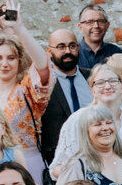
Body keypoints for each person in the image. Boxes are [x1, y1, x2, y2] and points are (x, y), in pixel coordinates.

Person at [0, 20, 54, 182]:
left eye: (11, 58)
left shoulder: (27, 90)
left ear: (19, 61)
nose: (4, 64)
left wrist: (20, 29)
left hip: (27, 163)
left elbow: (43, 66)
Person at [35, 24, 91, 170]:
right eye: (60, 47)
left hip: (94, 155)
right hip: (59, 162)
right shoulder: (43, 85)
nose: (67, 51)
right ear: (49, 51)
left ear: (78, 48)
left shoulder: (93, 77)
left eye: (72, 46)